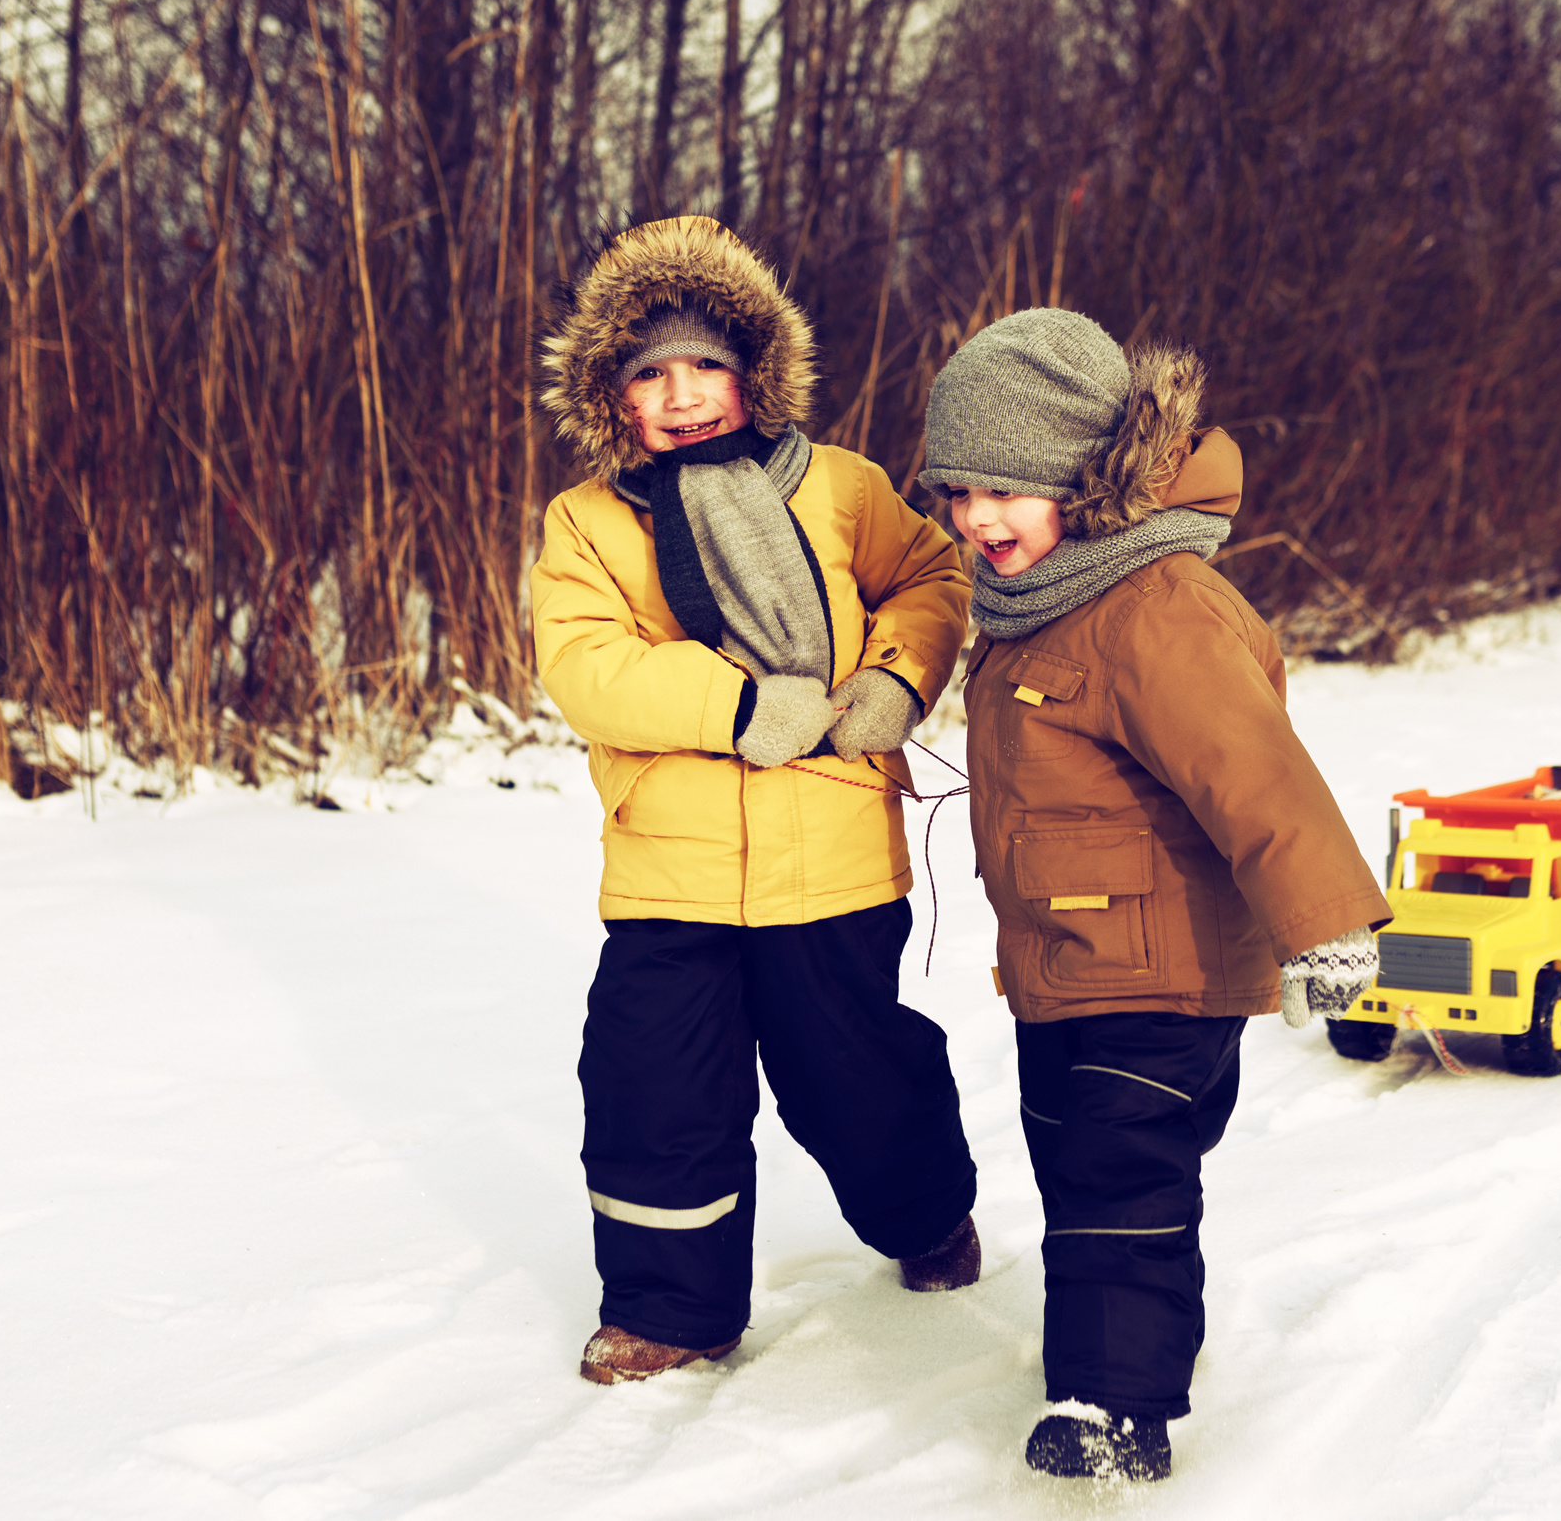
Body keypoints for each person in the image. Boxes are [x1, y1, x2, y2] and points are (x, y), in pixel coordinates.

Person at [919, 307, 1391, 1481]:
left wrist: (1327, 923)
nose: (977, 522)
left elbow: (1255, 772)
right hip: (1062, 972)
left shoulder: (1155, 606)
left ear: (1082, 478)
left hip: (1165, 968)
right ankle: (1118, 1343)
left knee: (1117, 1176)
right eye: (957, 494)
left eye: (1005, 492)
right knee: (1075, 1162)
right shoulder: (1032, 608)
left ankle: (1113, 1407)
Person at [531, 215, 981, 1385]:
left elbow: (930, 578)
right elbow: (585, 665)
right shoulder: (590, 520)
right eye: (649, 374)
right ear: (612, 395)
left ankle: (926, 1215)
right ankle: (670, 1310)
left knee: (854, 1080)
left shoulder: (839, 488)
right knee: (651, 1089)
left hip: (830, 857)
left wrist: (893, 678)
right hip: (669, 874)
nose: (681, 397)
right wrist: (733, 705)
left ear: (754, 371)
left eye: (705, 366)